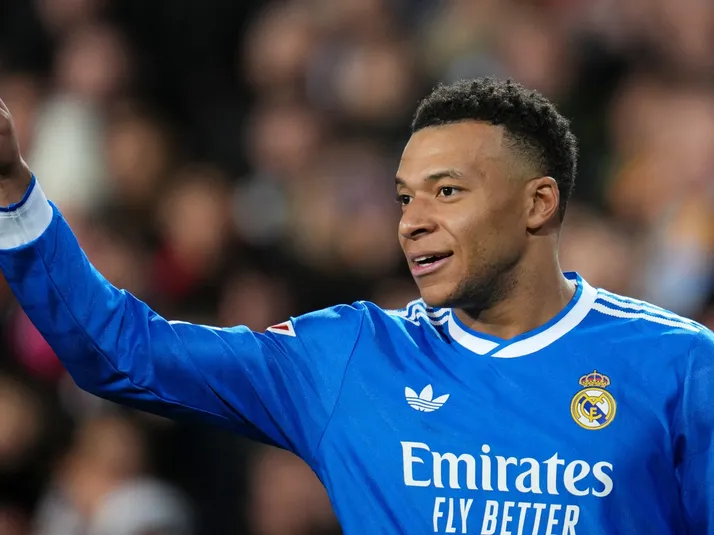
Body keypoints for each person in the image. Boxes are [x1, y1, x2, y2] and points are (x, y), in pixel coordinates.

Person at [0, 77, 712, 534]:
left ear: (538, 203)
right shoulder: (349, 359)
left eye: (447, 191)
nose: (413, 222)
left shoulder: (680, 368)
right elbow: (123, 354)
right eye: (404, 198)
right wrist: (12, 192)